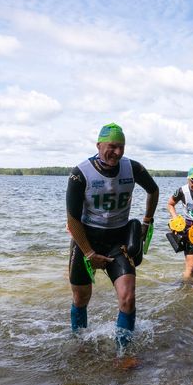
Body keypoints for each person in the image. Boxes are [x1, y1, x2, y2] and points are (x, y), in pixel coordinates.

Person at [66, 123, 159, 350]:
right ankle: (80, 346)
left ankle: (123, 352)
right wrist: (89, 253)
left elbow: (153, 190)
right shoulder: (80, 174)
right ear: (98, 145)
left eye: (121, 147)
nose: (117, 153)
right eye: (112, 146)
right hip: (86, 240)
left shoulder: (133, 168)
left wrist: (147, 222)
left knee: (128, 298)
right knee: (81, 299)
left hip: (118, 241)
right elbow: (72, 220)